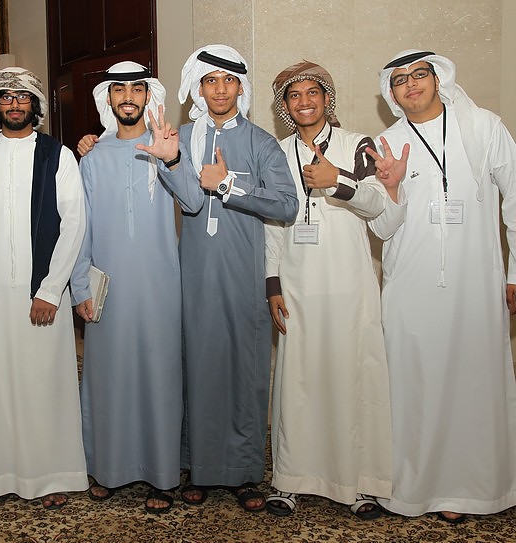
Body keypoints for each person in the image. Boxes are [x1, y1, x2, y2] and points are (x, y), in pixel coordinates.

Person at [130, 44, 299, 511]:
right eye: (210, 81)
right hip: (195, 273)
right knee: (198, 367)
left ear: (241, 88)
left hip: (244, 273)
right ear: (198, 89)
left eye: (228, 80)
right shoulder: (181, 136)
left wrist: (228, 185)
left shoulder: (261, 142)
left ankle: (244, 472)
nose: (220, 89)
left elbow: (287, 204)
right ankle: (201, 468)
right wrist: (171, 161)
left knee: (245, 370)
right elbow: (189, 201)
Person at [366, 49, 516, 523]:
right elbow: (382, 229)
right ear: (391, 93)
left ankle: (472, 489)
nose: (411, 84)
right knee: (416, 386)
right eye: (400, 80)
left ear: (438, 79)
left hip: (476, 283)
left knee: (473, 384)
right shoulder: (385, 143)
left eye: (419, 74)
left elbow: (515, 197)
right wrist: (391, 190)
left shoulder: (483, 127)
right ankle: (414, 488)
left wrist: (515, 271)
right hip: (411, 286)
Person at [263, 61, 391, 519]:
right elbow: (272, 225)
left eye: (312, 92)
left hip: (349, 281)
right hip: (297, 284)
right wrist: (273, 285)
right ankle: (291, 480)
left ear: (326, 98)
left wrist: (338, 179)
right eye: (294, 95)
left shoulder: (357, 144)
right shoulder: (276, 153)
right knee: (298, 381)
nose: (304, 102)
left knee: (354, 377)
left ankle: (360, 484)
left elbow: (377, 205)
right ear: (284, 105)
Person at [0, 67, 88, 510]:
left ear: (35, 105)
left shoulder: (58, 155)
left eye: (22, 97)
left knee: (44, 383)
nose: (14, 104)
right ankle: (0, 475)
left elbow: (74, 224)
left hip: (43, 291)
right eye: (5, 96)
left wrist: (51, 290)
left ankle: (51, 474)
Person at [69, 61, 182, 514]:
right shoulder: (92, 157)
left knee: (160, 377)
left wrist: (170, 159)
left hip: (160, 286)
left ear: (148, 96)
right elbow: (80, 228)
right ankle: (109, 469)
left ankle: (162, 474)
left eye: (137, 88)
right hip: (108, 289)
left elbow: (194, 201)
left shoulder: (169, 147)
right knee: (109, 378)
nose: (128, 96)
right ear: (109, 98)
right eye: (120, 89)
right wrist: (80, 285)